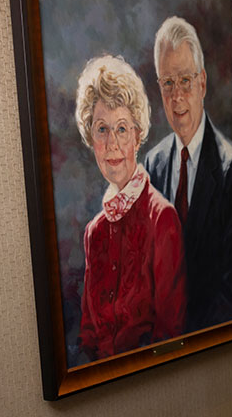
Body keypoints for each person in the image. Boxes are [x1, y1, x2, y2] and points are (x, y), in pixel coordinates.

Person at [75, 54, 184, 360]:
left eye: (122, 129)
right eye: (101, 129)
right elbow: (87, 336)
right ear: (90, 138)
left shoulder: (162, 219)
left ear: (138, 136)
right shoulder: (93, 232)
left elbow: (170, 336)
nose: (112, 144)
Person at [142, 16, 232, 334]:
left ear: (203, 82)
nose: (176, 96)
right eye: (167, 83)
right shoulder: (153, 165)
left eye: (184, 80)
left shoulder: (231, 169)